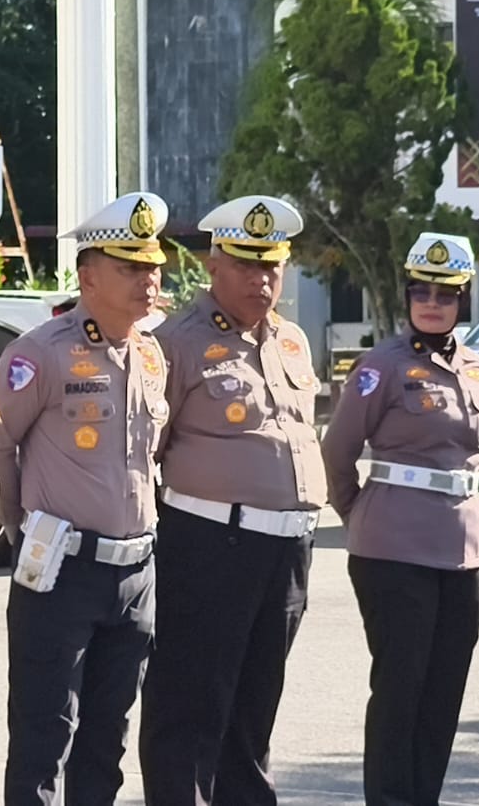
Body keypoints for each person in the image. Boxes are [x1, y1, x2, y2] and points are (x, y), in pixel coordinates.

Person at [139, 195, 327, 806]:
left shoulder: (291, 340)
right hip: (211, 544)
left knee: (255, 706)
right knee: (191, 705)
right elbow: (144, 452)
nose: (260, 279)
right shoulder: (175, 344)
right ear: (213, 264)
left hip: (287, 548)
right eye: (246, 264)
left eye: (271, 265)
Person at [0, 192, 170, 806]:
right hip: (62, 571)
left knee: (106, 744)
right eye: (131, 267)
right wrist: (21, 533)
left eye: (153, 266)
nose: (149, 280)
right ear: (88, 276)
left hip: (136, 572)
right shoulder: (39, 352)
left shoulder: (150, 353)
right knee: (44, 741)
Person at [321, 232, 479, 806]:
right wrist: (359, 512)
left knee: (443, 692)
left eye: (445, 294)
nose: (432, 303)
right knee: (401, 688)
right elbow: (337, 451)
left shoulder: (477, 369)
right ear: (407, 296)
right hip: (393, 548)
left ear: (462, 299)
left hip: (462, 550)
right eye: (421, 291)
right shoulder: (382, 367)